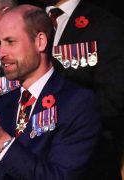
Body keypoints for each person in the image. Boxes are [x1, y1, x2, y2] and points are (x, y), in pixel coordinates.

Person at [0, 5, 100, 179]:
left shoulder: (77, 102)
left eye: (10, 42)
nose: (1, 53)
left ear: (40, 41)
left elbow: (59, 176)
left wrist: (0, 139)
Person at [41, 0, 124, 178]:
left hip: (85, 162)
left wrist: (54, 118)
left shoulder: (104, 24)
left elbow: (114, 99)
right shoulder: (26, 19)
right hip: (29, 159)